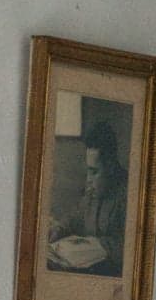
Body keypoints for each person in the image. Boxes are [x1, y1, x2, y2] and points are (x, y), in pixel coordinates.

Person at [49, 118, 129, 275]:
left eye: (94, 172)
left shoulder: (129, 192)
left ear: (111, 167)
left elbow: (132, 246)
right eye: (88, 171)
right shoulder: (95, 189)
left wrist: (99, 245)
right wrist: (60, 228)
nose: (88, 180)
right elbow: (76, 216)